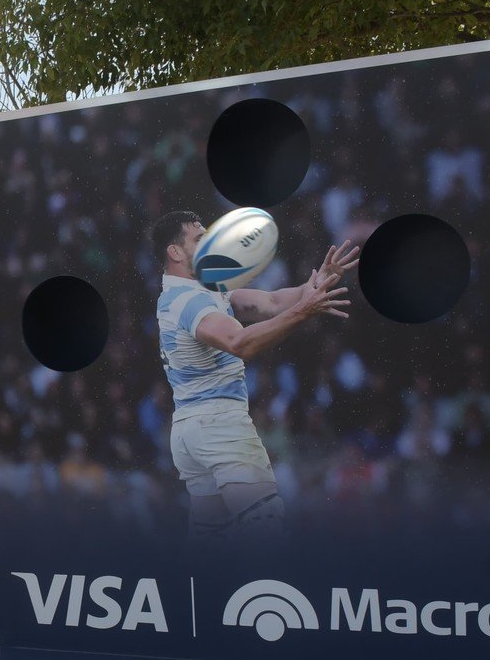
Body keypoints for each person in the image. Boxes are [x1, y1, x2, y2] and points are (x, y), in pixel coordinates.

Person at [151, 210, 357, 536]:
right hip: (220, 427)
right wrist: (305, 310)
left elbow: (273, 302)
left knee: (211, 541)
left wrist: (318, 283)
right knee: (265, 526)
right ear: (175, 252)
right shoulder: (188, 300)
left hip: (192, 429)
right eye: (200, 239)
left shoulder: (200, 291)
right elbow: (239, 343)